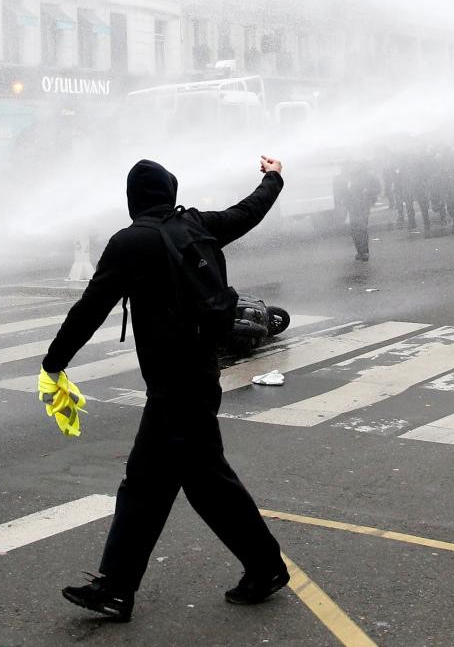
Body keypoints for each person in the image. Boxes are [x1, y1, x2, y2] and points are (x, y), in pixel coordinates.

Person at [47, 156, 289, 622]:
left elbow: (90, 308)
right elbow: (248, 211)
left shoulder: (131, 242)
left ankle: (118, 588)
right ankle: (264, 566)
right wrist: (273, 177)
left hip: (174, 388)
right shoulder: (197, 225)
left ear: (133, 198)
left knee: (149, 484)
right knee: (198, 482)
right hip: (200, 374)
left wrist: (53, 363)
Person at [338, 159, 381, 261]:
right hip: (352, 206)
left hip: (364, 205)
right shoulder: (347, 177)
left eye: (357, 164)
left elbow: (377, 189)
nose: (354, 166)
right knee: (354, 229)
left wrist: (368, 192)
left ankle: (365, 251)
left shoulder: (369, 176)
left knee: (362, 228)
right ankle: (359, 251)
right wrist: (343, 199)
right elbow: (342, 190)